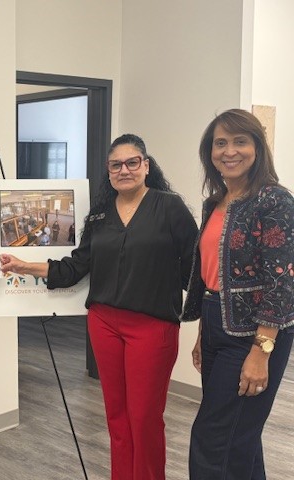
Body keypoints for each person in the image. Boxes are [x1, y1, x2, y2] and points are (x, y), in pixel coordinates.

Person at [0, 134, 198, 480]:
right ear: (108, 170)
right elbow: (76, 267)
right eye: (116, 165)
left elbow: (195, 268)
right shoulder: (100, 215)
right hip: (104, 323)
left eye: (132, 162)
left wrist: (200, 318)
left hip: (152, 327)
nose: (124, 170)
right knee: (117, 417)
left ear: (146, 166)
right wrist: (24, 266)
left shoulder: (169, 207)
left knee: (145, 419)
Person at [181, 109, 294, 479]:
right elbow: (212, 275)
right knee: (239, 438)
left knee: (213, 440)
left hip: (255, 333)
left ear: (257, 148)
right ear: (210, 152)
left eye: (240, 141)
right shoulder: (215, 202)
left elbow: (283, 281)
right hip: (215, 322)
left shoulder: (274, 200)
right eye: (220, 143)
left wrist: (262, 351)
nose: (229, 151)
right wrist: (203, 333)